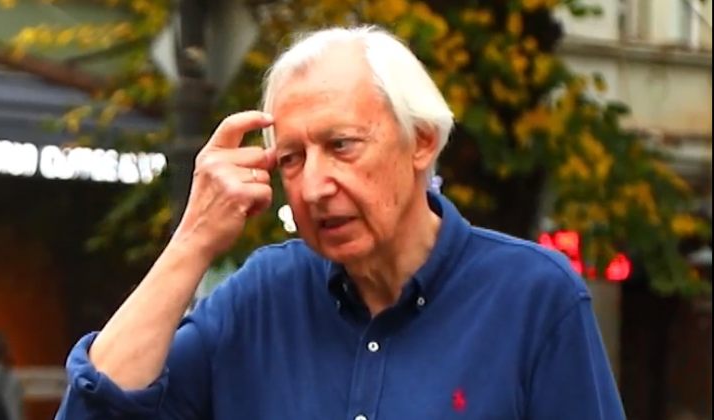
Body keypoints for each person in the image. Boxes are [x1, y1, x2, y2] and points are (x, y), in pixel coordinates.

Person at [56, 26, 625, 419]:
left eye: (342, 145)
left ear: (421, 141)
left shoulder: (533, 298)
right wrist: (192, 241)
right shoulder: (260, 298)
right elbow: (95, 411)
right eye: (291, 159)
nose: (313, 186)